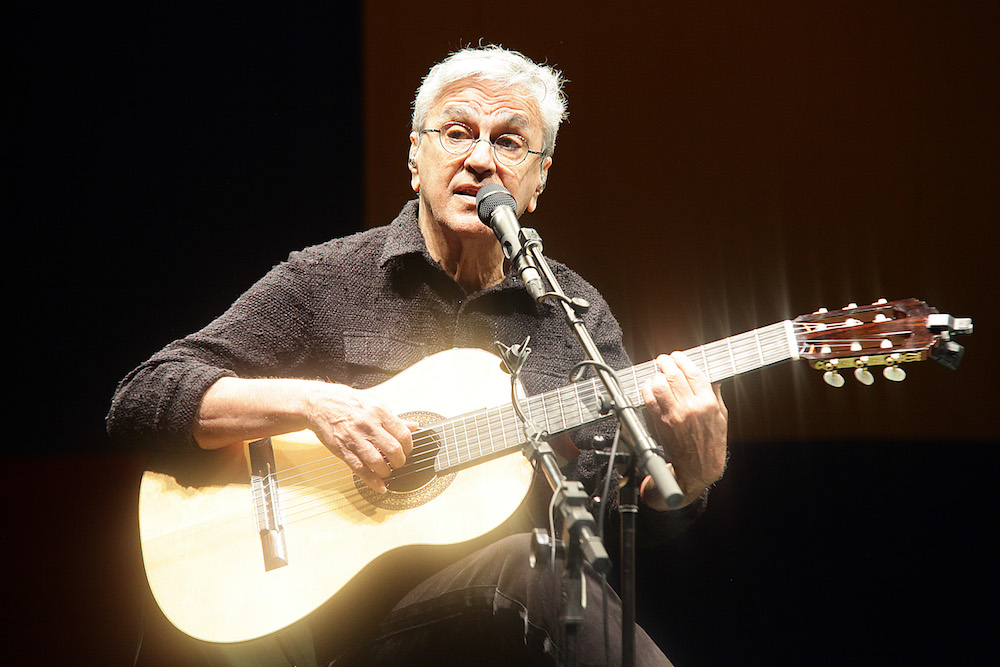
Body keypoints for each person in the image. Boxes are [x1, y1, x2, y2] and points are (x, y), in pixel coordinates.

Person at [109, 45, 728, 667]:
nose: (481, 160)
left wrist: (689, 474)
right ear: (415, 157)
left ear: (538, 180)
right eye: (458, 132)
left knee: (550, 563)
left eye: (511, 143)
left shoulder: (573, 313)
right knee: (535, 565)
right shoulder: (328, 277)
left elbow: (607, 516)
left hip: (489, 626)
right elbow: (143, 396)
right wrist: (309, 403)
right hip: (328, 622)